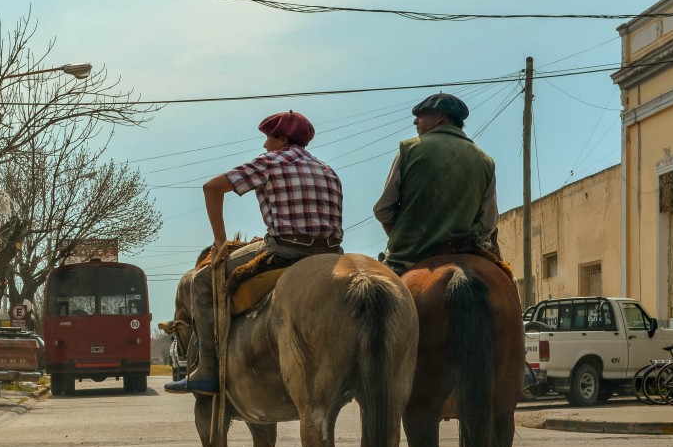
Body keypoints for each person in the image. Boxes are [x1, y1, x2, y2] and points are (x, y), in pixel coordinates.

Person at [164, 110, 344, 395]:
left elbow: (212, 188)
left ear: (283, 139)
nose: (264, 146)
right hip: (332, 255)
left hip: (287, 248)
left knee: (201, 281)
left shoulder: (270, 162)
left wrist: (220, 241)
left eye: (269, 139)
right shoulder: (327, 170)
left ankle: (208, 371)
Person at [373, 93, 498, 275]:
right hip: (465, 256)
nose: (415, 121)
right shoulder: (486, 161)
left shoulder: (409, 149)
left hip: (409, 259)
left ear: (441, 116)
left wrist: (407, 239)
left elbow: (383, 210)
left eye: (421, 115)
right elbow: (488, 223)